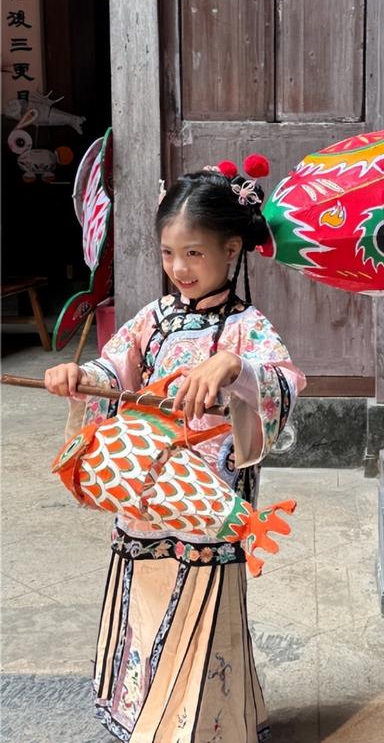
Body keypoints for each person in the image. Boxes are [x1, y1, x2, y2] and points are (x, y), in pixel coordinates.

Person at [44, 160, 306, 742]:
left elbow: (286, 384)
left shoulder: (247, 327)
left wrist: (235, 366)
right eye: (168, 254)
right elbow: (113, 367)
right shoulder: (154, 320)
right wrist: (79, 375)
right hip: (146, 493)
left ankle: (206, 728)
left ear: (232, 248)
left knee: (204, 616)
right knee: (148, 602)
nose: (179, 269)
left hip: (208, 501)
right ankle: (150, 722)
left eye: (194, 253)